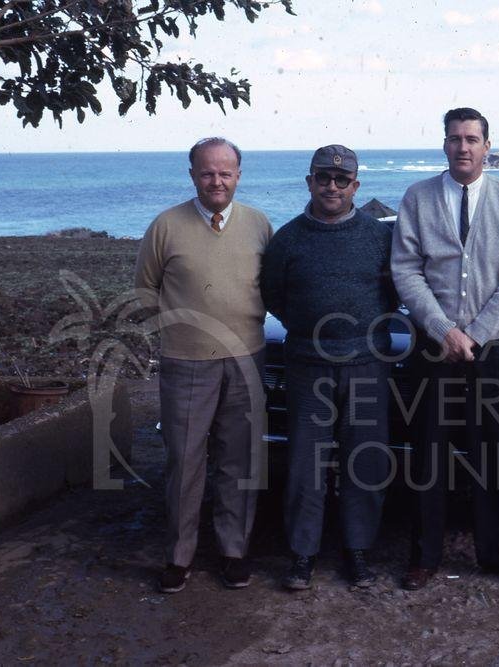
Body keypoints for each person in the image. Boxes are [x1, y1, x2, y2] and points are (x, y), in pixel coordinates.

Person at [391, 107, 499, 590]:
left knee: (495, 455)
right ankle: (424, 556)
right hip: (434, 350)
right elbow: (406, 270)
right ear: (445, 144)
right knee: (427, 455)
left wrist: (474, 333)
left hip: (494, 349)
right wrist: (442, 329)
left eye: (472, 139)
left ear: (487, 146)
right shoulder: (418, 197)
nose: (463, 147)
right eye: (454, 138)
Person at [135, 137, 272, 593]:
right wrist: (176, 334)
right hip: (185, 362)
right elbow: (145, 292)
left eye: (225, 172)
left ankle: (233, 550)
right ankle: (179, 557)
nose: (217, 181)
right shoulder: (165, 226)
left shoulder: (258, 225)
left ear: (238, 174)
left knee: (240, 460)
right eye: (207, 172)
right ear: (192, 174)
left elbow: (269, 287)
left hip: (247, 360)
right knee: (184, 462)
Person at [261, 145, 398, 590]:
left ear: (356, 186)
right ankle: (302, 555)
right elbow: (273, 295)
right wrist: (309, 329)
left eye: (342, 180)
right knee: (305, 466)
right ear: (309, 182)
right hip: (308, 368)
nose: (332, 186)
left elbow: (394, 294)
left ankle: (358, 552)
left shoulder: (380, 237)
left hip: (367, 365)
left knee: (366, 465)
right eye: (324, 178)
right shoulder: (287, 239)